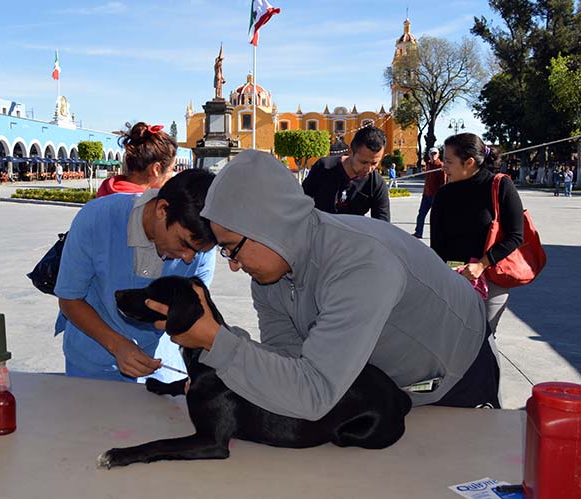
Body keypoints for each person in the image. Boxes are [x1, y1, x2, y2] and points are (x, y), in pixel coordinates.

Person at [146, 149, 501, 428]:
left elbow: (313, 395)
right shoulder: (270, 274)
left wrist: (215, 342)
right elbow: (287, 359)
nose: (234, 265)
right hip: (382, 383)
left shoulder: (361, 266)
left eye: (232, 248)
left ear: (269, 227)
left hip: (459, 374)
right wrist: (226, 373)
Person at [54, 169, 217, 383]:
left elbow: (193, 316)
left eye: (198, 251)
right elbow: (69, 298)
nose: (188, 258)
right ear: (162, 210)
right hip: (92, 365)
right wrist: (117, 345)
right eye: (184, 244)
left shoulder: (201, 247)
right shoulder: (97, 217)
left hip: (160, 367)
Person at [430, 133, 524, 336]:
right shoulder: (444, 195)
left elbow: (515, 236)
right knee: (449, 340)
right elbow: (437, 246)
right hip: (454, 279)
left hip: (490, 278)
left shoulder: (500, 186)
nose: (443, 166)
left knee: (482, 340)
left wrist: (482, 264)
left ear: (469, 162)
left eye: (448, 161)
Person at [302, 126, 390, 221]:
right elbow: (302, 203)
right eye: (363, 162)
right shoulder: (324, 167)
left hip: (352, 233)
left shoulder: (376, 184)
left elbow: (383, 225)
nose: (368, 169)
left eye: (374, 163)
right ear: (350, 152)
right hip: (319, 231)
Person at [97, 122, 177, 197]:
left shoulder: (98, 200)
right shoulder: (150, 208)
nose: (173, 174)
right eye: (172, 169)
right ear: (156, 169)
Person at [412, 147, 447, 239]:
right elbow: (427, 181)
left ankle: (438, 235)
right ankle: (418, 232)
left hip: (435, 196)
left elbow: (443, 183)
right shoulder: (428, 165)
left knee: (436, 217)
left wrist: (440, 196)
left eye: (435, 153)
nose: (433, 155)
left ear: (438, 155)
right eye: (432, 154)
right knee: (421, 215)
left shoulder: (440, 166)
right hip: (426, 195)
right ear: (429, 155)